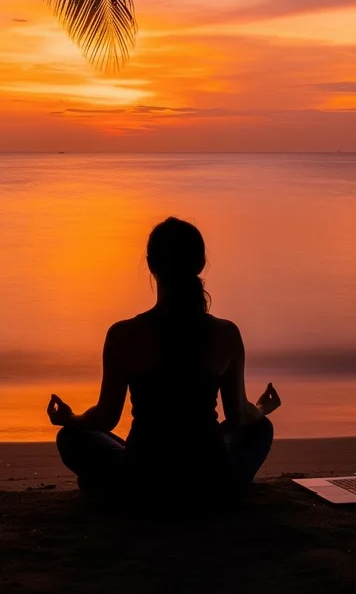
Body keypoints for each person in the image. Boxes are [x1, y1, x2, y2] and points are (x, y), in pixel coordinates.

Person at [47, 217, 280, 510]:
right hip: (210, 478)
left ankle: (110, 488)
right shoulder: (226, 334)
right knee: (261, 429)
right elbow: (238, 418)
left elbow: (106, 418)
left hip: (142, 477)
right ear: (200, 264)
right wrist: (261, 409)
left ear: (150, 264)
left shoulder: (123, 335)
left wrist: (71, 419)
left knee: (71, 438)